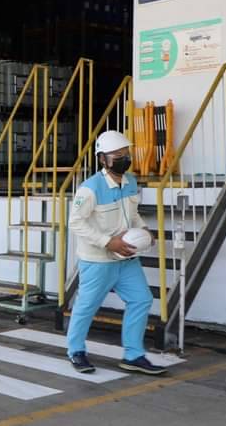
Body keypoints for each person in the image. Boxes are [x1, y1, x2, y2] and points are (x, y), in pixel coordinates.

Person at [66, 130, 165, 376]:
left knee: (141, 299)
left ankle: (133, 355)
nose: (124, 158)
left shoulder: (130, 181)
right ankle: (76, 351)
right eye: (117, 155)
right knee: (87, 307)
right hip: (98, 260)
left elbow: (132, 214)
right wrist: (107, 242)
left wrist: (143, 229)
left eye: (126, 153)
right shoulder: (90, 188)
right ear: (103, 159)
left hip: (127, 259)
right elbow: (75, 222)